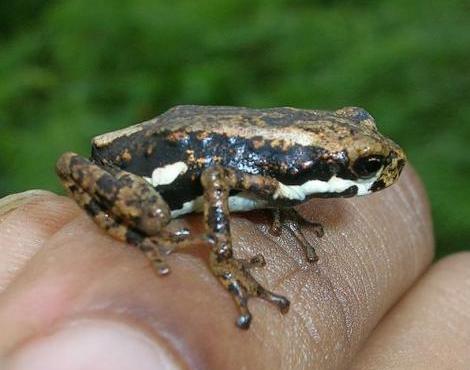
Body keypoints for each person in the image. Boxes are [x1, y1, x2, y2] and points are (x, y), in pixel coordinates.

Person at [0, 167, 469, 370]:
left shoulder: (276, 177)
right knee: (158, 220)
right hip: (142, 173)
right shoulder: (263, 173)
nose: (380, 175)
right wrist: (223, 258)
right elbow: (218, 178)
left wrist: (281, 205)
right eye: (363, 167)